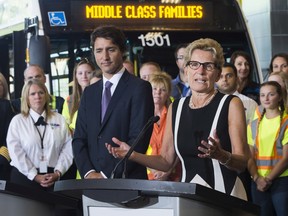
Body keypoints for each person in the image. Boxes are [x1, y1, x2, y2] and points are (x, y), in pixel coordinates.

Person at [106, 38, 249, 200]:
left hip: (227, 197)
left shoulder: (231, 104)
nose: (200, 71)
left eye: (208, 66)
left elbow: (242, 162)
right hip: (189, 200)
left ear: (217, 74)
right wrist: (131, 154)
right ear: (186, 70)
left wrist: (221, 155)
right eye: (194, 64)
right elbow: (166, 161)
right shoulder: (177, 107)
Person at [73, 25, 154, 179]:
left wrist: (106, 175)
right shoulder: (89, 93)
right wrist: (89, 173)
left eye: (111, 49)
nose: (105, 57)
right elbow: (79, 139)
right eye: (99, 51)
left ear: (122, 50)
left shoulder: (139, 88)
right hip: (91, 184)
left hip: (126, 181)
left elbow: (138, 140)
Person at [6, 79, 73, 190]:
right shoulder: (17, 121)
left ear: (46, 95)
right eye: (32, 94)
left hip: (53, 177)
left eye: (41, 92)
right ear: (26, 98)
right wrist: (34, 175)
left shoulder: (59, 119)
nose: (37, 96)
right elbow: (15, 152)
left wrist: (58, 172)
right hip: (24, 177)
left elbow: (68, 147)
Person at [247, 81, 288, 216]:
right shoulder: (253, 125)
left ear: (280, 97)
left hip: (281, 179)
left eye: (271, 94)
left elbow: (286, 158)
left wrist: (268, 179)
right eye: (262, 95)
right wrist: (257, 177)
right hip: (258, 181)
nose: (266, 98)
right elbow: (249, 156)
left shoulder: (286, 122)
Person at [146, 72, 180, 181]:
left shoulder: (174, 114)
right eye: (154, 89)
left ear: (168, 93)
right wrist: (155, 171)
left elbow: (178, 146)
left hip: (173, 174)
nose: (158, 93)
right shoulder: (142, 115)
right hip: (148, 174)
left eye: (163, 90)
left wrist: (167, 171)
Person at [62, 58, 95, 132]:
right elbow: (65, 126)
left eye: (88, 72)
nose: (84, 76)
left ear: (94, 74)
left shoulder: (102, 96)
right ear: (76, 76)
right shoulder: (69, 100)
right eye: (80, 73)